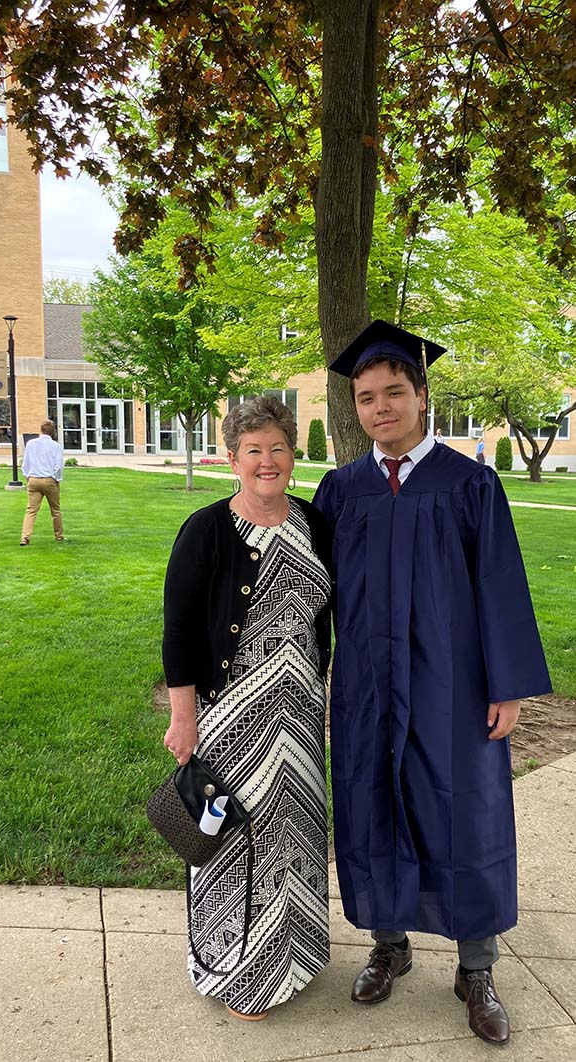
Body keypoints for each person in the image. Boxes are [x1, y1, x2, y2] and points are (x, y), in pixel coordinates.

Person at [314, 320, 551, 1047]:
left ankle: (476, 968)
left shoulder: (469, 483)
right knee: (372, 802)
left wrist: (507, 686)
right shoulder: (341, 489)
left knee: (466, 812)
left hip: (454, 686)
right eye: (365, 397)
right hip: (368, 684)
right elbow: (313, 592)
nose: (380, 408)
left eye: (393, 392)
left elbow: (500, 587)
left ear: (421, 396)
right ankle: (389, 946)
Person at [162, 395, 333, 1020]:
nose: (267, 461)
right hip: (233, 713)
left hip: (302, 711)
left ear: (293, 453)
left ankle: (296, 959)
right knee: (236, 843)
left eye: (278, 448)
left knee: (299, 834)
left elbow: (330, 616)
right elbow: (179, 631)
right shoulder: (207, 529)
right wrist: (183, 717)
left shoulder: (315, 522)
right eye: (253, 450)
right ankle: (237, 973)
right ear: (232, 459)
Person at [20, 420, 64, 545]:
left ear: (41, 430)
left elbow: (26, 463)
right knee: (55, 510)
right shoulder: (56, 446)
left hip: (33, 479)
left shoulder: (30, 444)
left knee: (31, 510)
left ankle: (25, 537)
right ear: (53, 432)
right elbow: (58, 465)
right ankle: (59, 535)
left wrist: (28, 477)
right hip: (49, 479)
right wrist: (57, 479)